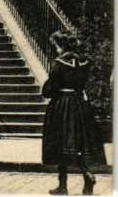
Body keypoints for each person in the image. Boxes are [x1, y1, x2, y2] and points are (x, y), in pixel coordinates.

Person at [42, 31, 106, 195]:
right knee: (77, 144)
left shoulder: (60, 63)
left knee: (61, 143)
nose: (56, 50)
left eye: (56, 46)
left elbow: (50, 88)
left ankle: (63, 185)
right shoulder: (84, 62)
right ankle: (86, 175)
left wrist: (48, 90)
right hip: (80, 105)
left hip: (63, 105)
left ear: (62, 46)